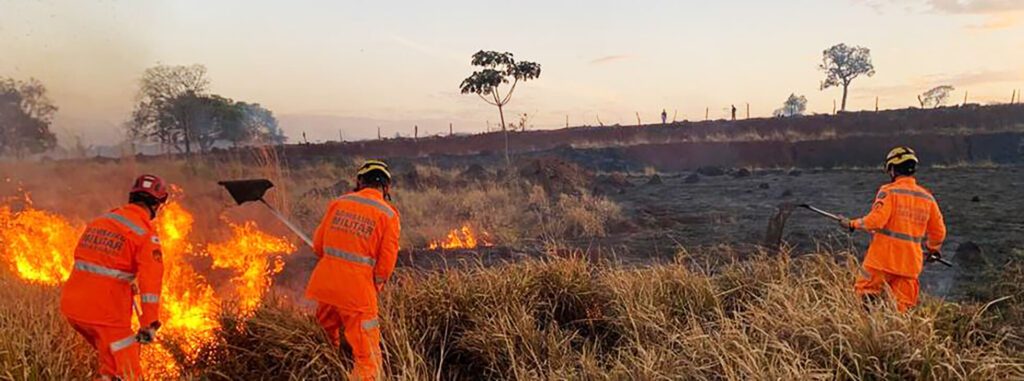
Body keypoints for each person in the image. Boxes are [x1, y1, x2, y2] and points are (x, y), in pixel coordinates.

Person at [60, 175, 167, 380]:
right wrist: (150, 323)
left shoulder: (102, 221)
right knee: (130, 374)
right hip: (105, 315)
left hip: (73, 307)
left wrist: (124, 283)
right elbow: (151, 283)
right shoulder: (145, 233)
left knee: (111, 367)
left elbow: (96, 263)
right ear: (157, 205)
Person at [306, 160, 401, 381]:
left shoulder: (339, 203)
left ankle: (322, 374)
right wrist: (376, 285)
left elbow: (318, 247)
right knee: (368, 358)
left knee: (324, 341)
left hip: (326, 287)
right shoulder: (388, 215)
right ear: (386, 188)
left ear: (359, 182)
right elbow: (386, 263)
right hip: (358, 293)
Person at [839, 147, 946, 312]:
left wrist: (852, 224)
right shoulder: (927, 198)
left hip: (881, 261)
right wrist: (933, 249)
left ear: (893, 169)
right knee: (901, 310)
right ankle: (894, 336)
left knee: (865, 297)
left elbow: (875, 221)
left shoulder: (889, 192)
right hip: (910, 264)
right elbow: (939, 231)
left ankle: (866, 333)